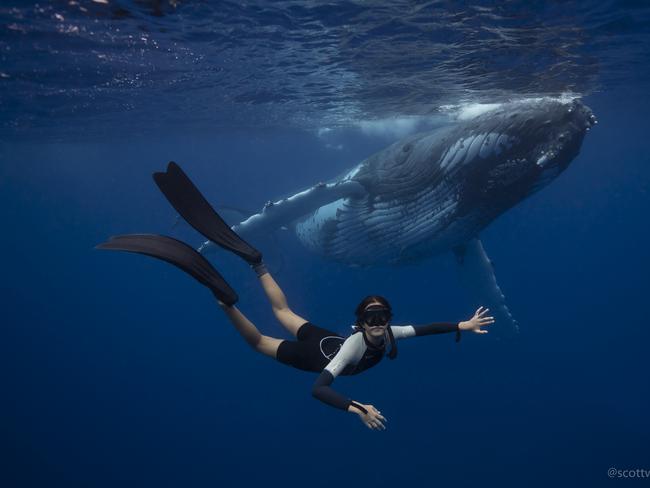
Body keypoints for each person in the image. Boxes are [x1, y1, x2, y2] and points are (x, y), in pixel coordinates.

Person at [97, 162, 494, 430]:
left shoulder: (390, 334)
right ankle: (226, 301)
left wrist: (462, 324)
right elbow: (319, 388)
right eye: (372, 320)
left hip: (320, 334)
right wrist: (356, 408)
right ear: (361, 323)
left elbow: (424, 329)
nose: (378, 325)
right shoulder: (356, 347)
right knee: (257, 341)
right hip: (318, 353)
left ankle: (255, 262)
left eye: (382, 318)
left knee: (284, 311)